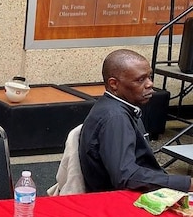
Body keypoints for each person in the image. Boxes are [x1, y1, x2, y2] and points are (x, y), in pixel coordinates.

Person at [79, 49, 193, 193]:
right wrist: (187, 183)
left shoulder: (120, 108)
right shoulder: (116, 118)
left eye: (149, 77)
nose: (149, 84)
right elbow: (126, 177)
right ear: (114, 84)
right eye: (140, 80)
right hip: (123, 201)